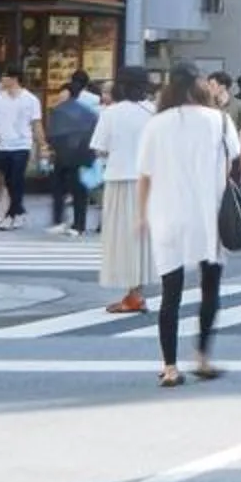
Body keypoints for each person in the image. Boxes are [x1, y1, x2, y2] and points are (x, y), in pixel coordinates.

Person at [136, 61, 233, 386]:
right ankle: (203, 357)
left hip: (166, 213)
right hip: (209, 214)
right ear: (201, 86)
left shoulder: (156, 124)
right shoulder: (219, 120)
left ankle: (170, 367)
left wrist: (140, 215)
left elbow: (145, 175)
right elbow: (230, 164)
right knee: (210, 288)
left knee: (170, 294)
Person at [88, 65, 154, 314]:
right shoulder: (154, 111)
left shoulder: (111, 113)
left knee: (122, 238)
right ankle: (137, 292)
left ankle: (132, 294)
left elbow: (99, 148)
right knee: (144, 239)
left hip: (119, 179)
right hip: (150, 181)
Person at [0, 64, 45, 231]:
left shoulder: (31, 100)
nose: (1, 80)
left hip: (21, 145)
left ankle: (11, 216)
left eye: (4, 77)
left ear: (14, 79)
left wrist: (43, 145)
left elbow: (36, 124)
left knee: (14, 181)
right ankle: (18, 209)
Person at [45, 73, 101, 236]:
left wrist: (52, 148)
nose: (59, 96)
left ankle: (62, 221)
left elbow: (53, 135)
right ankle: (78, 224)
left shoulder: (59, 111)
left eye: (61, 93)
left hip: (65, 155)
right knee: (77, 191)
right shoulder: (88, 112)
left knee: (61, 189)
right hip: (80, 155)